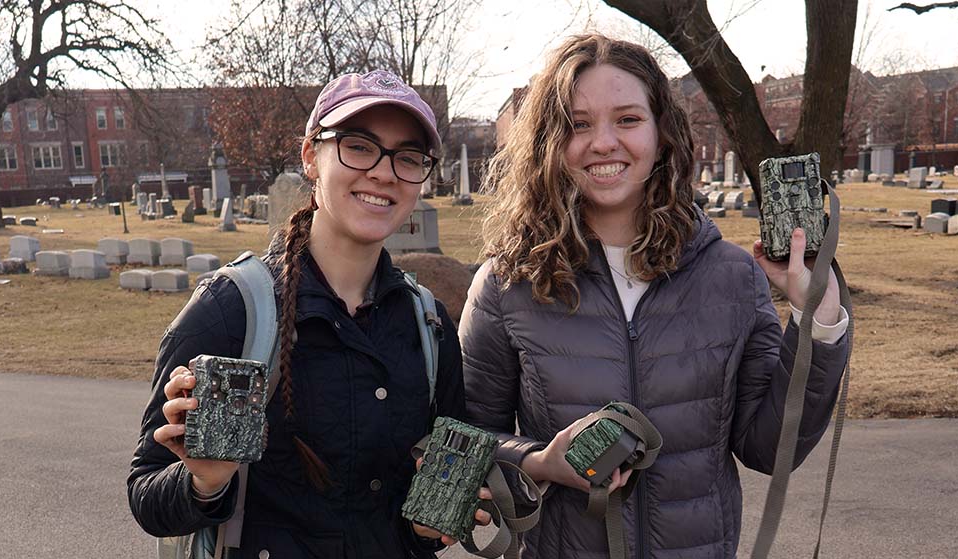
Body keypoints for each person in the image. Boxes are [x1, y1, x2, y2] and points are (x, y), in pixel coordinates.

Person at [459, 34, 850, 559]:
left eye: (627, 119)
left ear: (662, 134)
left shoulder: (731, 277)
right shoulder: (508, 283)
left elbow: (769, 449)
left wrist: (817, 317)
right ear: (550, 142)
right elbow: (467, 440)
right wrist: (540, 462)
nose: (603, 143)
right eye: (578, 124)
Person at [128, 69, 490, 558]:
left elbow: (410, 528)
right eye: (359, 146)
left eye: (408, 158)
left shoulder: (430, 329)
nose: (384, 173)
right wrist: (206, 482)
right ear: (311, 157)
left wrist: (428, 527)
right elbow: (147, 497)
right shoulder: (232, 310)